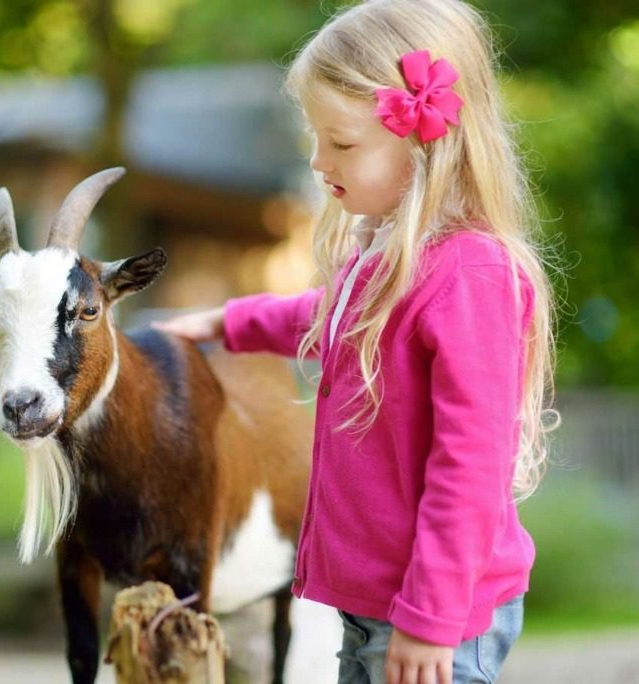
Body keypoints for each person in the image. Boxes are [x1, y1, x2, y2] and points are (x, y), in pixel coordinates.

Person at [153, 0, 560, 682]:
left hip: (432, 618)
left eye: (341, 143)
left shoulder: (468, 275)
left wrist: (429, 619)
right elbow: (328, 319)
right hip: (378, 606)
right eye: (314, 138)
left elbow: (469, 466)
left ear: (425, 139)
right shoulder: (388, 265)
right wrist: (230, 323)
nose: (317, 161)